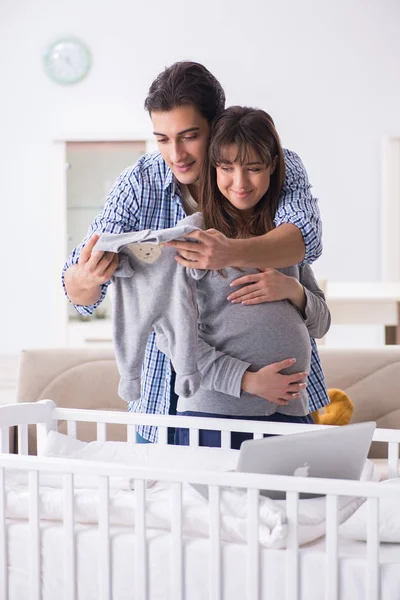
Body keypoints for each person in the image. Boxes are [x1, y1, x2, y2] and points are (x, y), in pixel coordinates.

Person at [62, 61, 329, 444]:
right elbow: (79, 292)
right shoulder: (139, 184)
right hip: (175, 399)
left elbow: (307, 240)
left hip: (285, 401)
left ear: (217, 126)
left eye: (189, 136)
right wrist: (86, 278)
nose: (177, 154)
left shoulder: (268, 173)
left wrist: (231, 255)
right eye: (162, 139)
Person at [166, 106, 330, 448]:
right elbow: (174, 339)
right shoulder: (189, 238)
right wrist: (248, 381)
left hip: (289, 414)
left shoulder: (283, 240)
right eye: (226, 168)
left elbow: (322, 323)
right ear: (213, 169)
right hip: (215, 415)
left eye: (253, 168)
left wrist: (292, 290)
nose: (239, 183)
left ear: (272, 165)